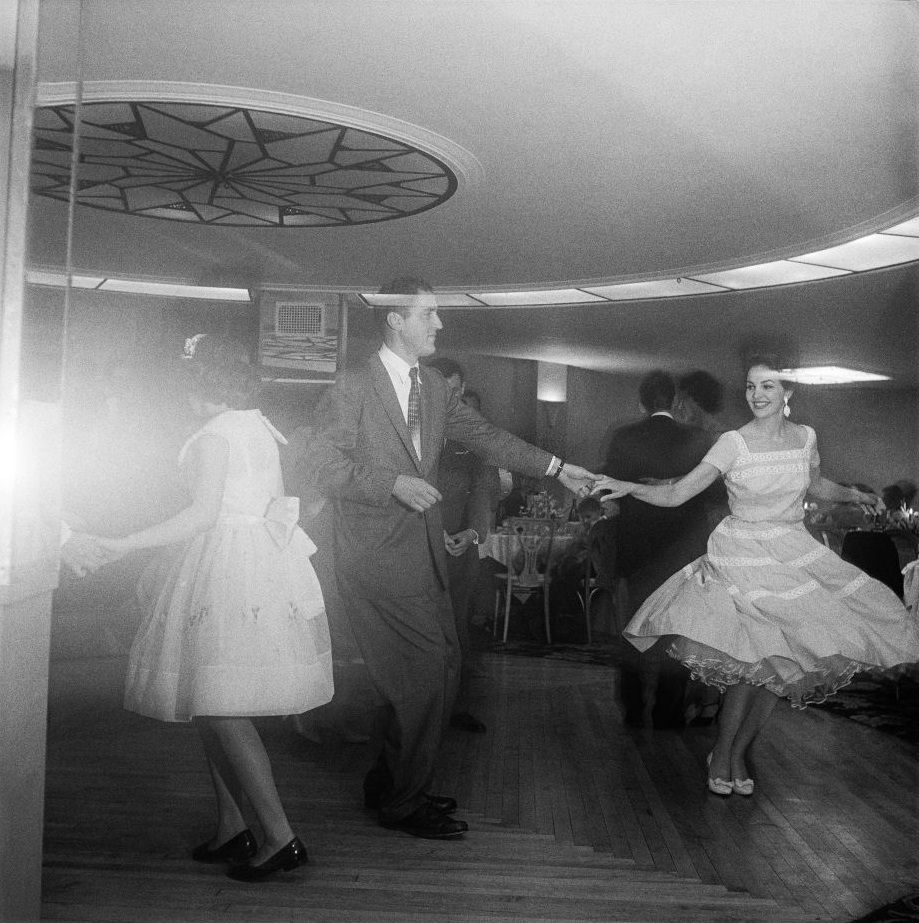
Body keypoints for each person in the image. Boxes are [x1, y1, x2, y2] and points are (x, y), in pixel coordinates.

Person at [304, 277, 595, 840]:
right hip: (375, 558)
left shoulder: (433, 387)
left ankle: (390, 779)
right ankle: (402, 803)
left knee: (440, 670)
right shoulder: (352, 388)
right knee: (425, 679)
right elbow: (316, 465)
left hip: (424, 557)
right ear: (395, 319)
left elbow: (489, 437)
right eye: (429, 314)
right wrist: (391, 483)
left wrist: (560, 469)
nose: (438, 324)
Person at [592, 354, 919, 796]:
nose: (757, 395)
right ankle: (723, 754)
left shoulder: (806, 438)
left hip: (793, 554)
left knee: (783, 667)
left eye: (767, 386)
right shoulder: (733, 442)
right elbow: (679, 492)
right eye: (750, 386)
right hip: (742, 555)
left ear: (788, 392)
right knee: (752, 668)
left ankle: (739, 752)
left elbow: (816, 484)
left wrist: (852, 496)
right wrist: (630, 487)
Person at [96, 333, 333, 880]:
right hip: (260, 564)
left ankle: (279, 836)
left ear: (196, 382)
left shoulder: (211, 437)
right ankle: (233, 827)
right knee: (213, 701)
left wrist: (125, 543)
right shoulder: (256, 423)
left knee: (224, 706)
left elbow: (202, 516)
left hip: (225, 566)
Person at [603, 370, 721, 727]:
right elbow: (716, 495)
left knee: (636, 631)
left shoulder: (624, 438)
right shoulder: (699, 439)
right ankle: (669, 712)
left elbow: (611, 494)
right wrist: (677, 483)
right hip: (684, 551)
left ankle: (634, 710)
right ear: (674, 401)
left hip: (637, 549)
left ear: (641, 402)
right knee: (676, 634)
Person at [424, 356, 498, 734]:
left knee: (458, 630)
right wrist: (430, 530)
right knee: (421, 634)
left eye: (456, 390)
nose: (450, 397)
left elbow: (486, 488)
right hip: (418, 546)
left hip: (461, 546)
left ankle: (452, 709)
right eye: (444, 389)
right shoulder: (411, 430)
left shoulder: (473, 433)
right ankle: (418, 715)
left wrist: (472, 532)